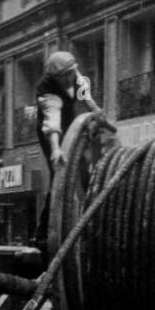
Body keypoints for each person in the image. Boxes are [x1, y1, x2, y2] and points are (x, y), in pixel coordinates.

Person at [34, 50, 99, 248]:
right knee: (59, 176)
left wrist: (96, 112)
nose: (67, 79)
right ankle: (44, 234)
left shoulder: (75, 75)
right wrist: (55, 149)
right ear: (55, 77)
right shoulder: (46, 89)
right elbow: (52, 119)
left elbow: (86, 97)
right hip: (51, 131)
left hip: (71, 122)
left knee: (85, 170)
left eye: (70, 74)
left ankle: (90, 218)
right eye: (63, 77)